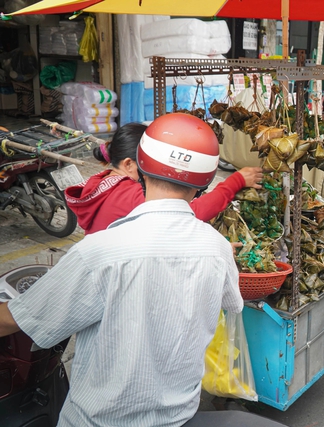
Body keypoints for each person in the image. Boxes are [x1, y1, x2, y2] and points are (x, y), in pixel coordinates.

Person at [0, 112, 245, 426]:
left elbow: (19, 317)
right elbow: (233, 303)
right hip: (179, 417)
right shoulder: (217, 248)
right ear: (207, 178)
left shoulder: (99, 252)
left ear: (140, 165)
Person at [65, 122, 263, 234]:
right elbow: (190, 212)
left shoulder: (105, 182)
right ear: (128, 164)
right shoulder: (127, 194)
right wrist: (235, 181)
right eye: (148, 164)